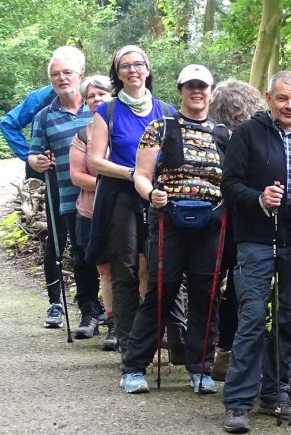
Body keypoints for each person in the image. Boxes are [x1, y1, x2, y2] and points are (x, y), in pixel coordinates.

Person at [220, 70, 291, 433]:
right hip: (255, 240)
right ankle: (238, 403)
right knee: (251, 319)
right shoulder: (248, 133)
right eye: (282, 98)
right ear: (269, 99)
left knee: (288, 319)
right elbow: (229, 184)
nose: (289, 106)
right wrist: (260, 199)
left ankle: (276, 393)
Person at [120, 64, 228, 395]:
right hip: (169, 218)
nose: (197, 91)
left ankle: (200, 369)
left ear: (211, 92)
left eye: (202, 86)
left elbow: (231, 179)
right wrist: (151, 193)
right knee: (161, 291)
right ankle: (134, 368)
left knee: (206, 294)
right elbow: (141, 175)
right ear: (180, 90)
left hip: (211, 223)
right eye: (190, 85)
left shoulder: (223, 134)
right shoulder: (161, 127)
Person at [86, 45, 176, 358]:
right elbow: (95, 161)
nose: (133, 70)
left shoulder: (166, 110)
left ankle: (160, 336)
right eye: (125, 66)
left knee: (157, 267)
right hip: (120, 196)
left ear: (148, 70)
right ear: (117, 73)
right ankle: (128, 343)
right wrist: (133, 174)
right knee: (124, 268)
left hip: (158, 196)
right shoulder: (107, 111)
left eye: (138, 64)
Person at [26, 46, 101, 332]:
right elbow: (33, 155)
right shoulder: (44, 117)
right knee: (73, 250)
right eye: (55, 74)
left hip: (101, 194)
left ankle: (105, 308)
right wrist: (38, 161)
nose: (61, 78)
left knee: (99, 251)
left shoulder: (97, 107)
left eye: (67, 72)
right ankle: (75, 306)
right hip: (66, 193)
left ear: (80, 72)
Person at [207, 78, 266, 382]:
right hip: (247, 218)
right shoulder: (256, 135)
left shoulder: (212, 134)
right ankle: (228, 352)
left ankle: (209, 352)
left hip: (216, 219)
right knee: (237, 290)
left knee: (211, 286)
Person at [68, 75, 116, 348]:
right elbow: (77, 175)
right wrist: (112, 184)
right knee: (104, 270)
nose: (97, 99)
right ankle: (113, 324)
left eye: (102, 94)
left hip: (126, 211)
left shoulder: (126, 128)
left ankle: (136, 326)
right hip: (91, 212)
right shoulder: (82, 135)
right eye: (91, 96)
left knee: (136, 270)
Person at [1, 84, 55, 180]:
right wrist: (30, 156)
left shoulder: (84, 94)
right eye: (55, 75)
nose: (62, 78)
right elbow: (8, 124)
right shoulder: (41, 96)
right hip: (45, 171)